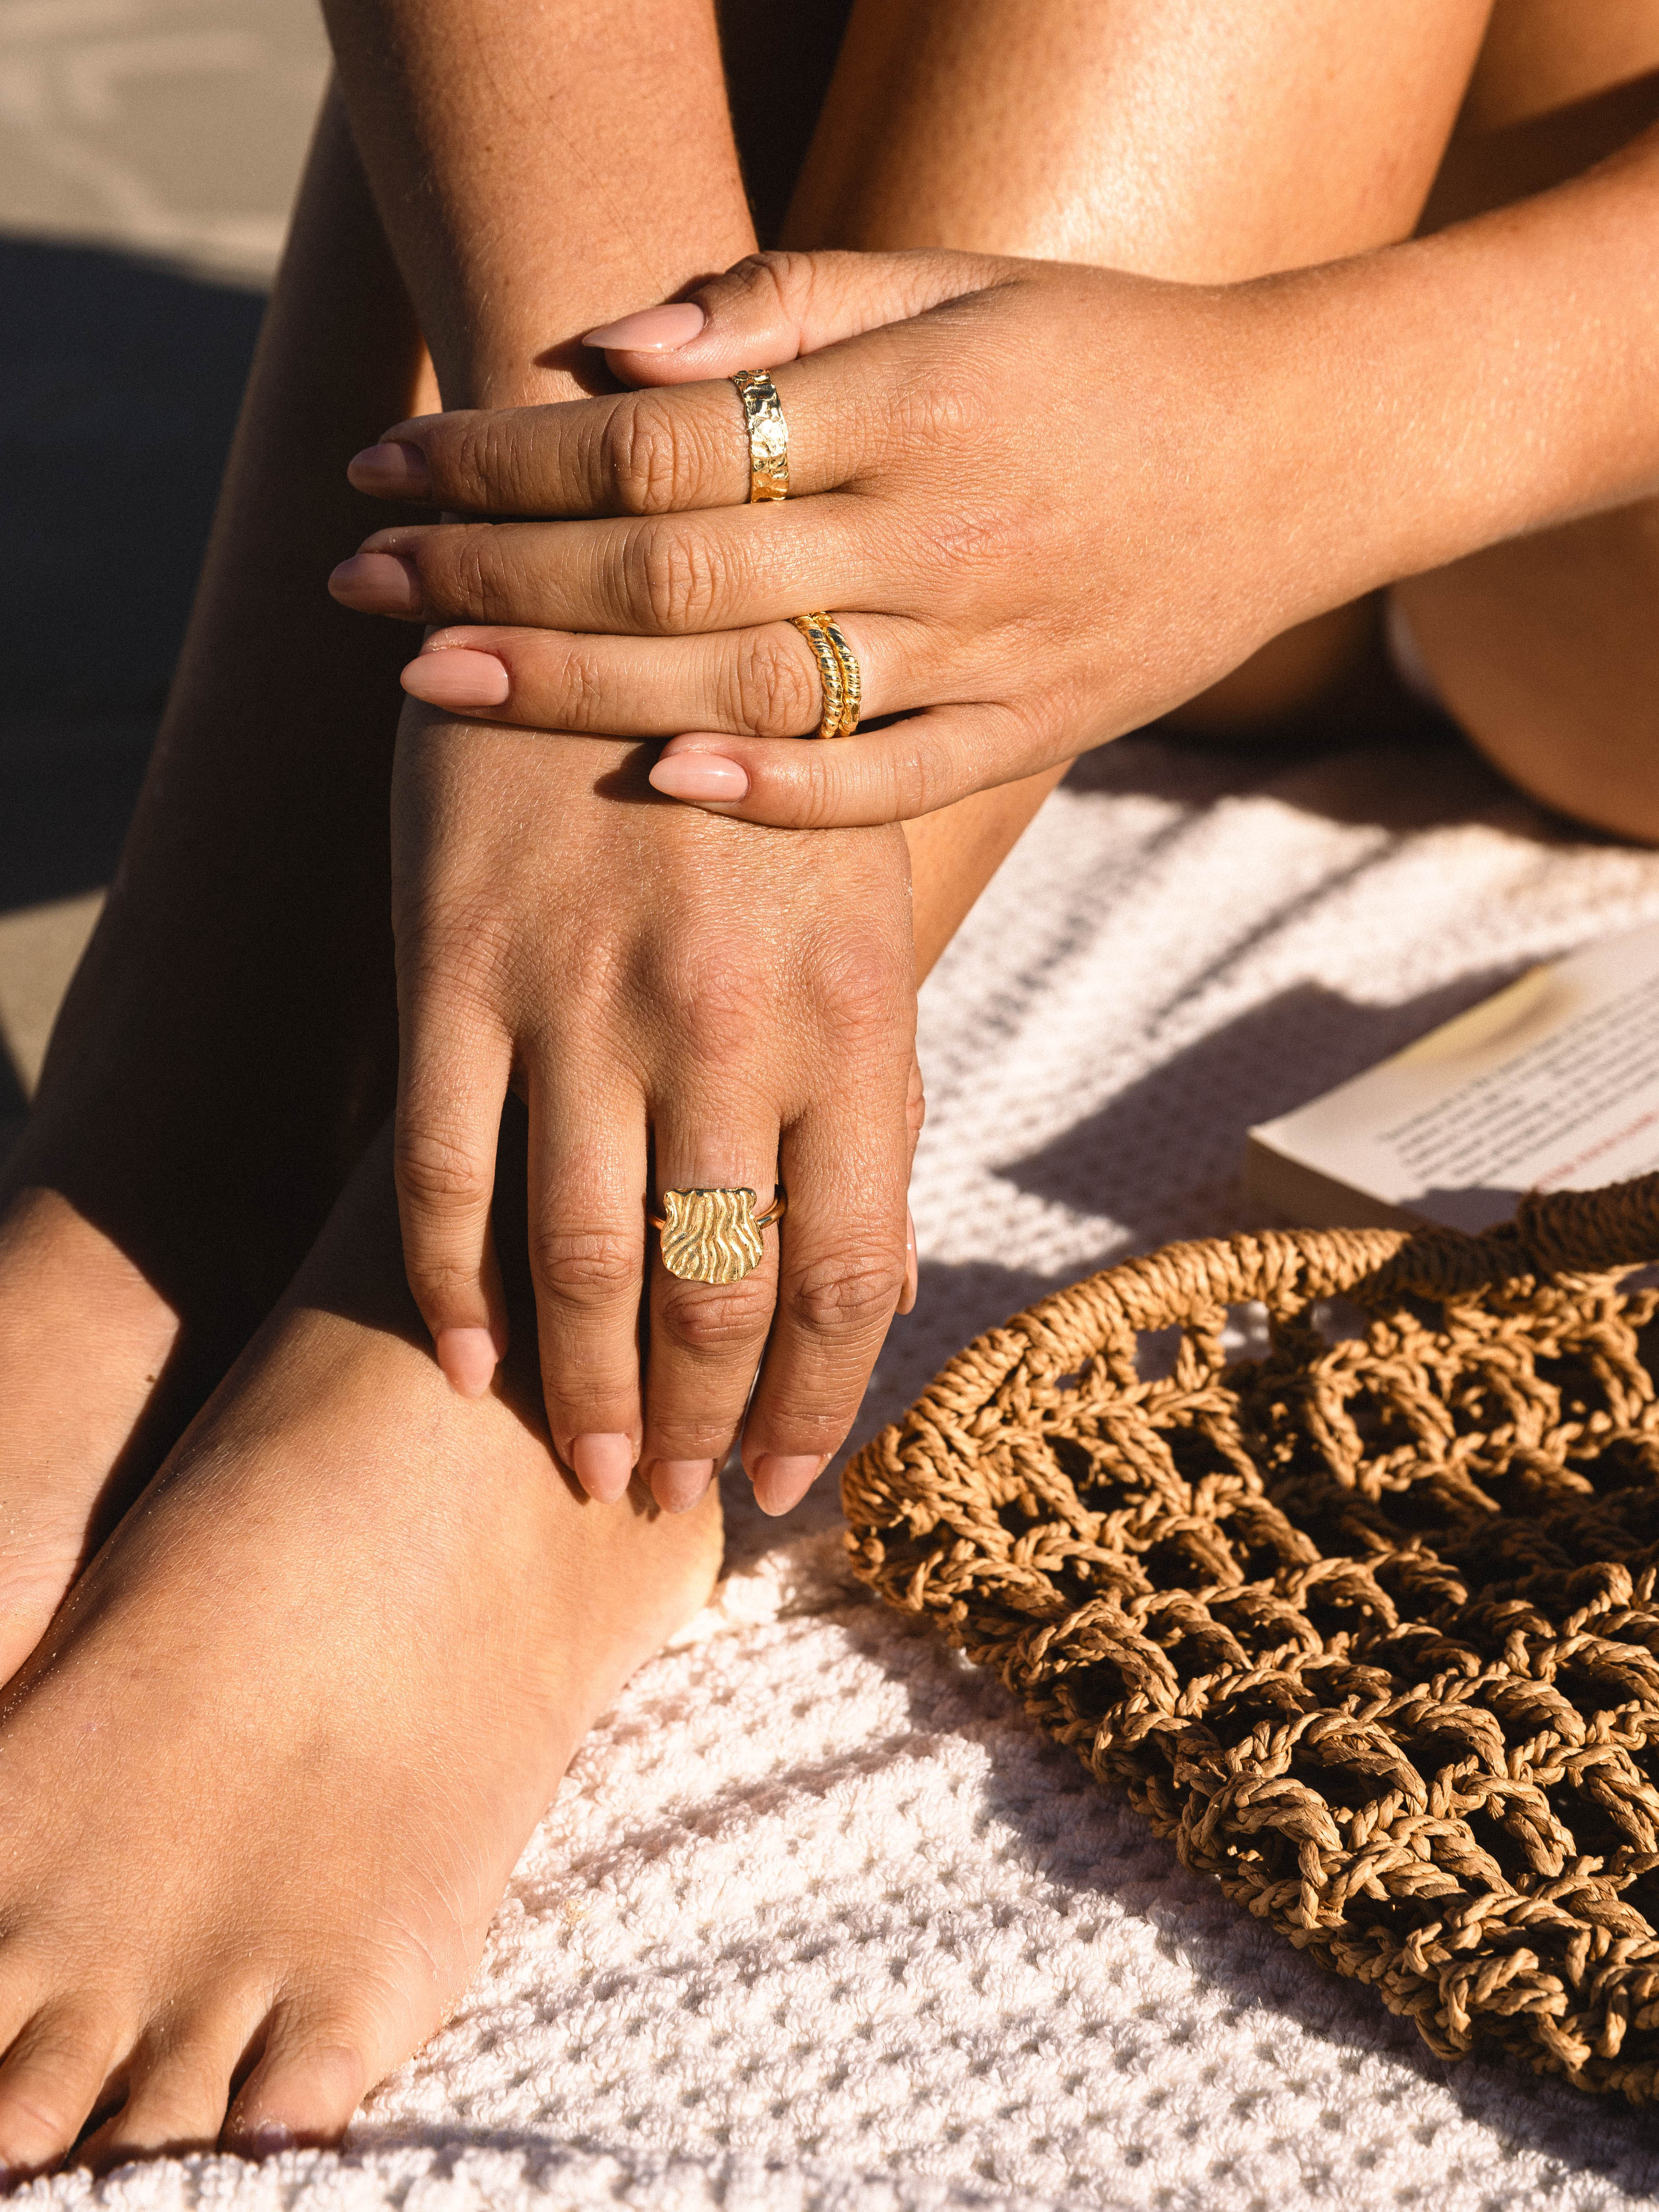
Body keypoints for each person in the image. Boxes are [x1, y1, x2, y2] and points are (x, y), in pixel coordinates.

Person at [0, 0, 1654, 2172]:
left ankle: (519, 1358)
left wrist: (1294, 433)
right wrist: (636, 656)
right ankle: (184, 1148)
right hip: (1172, 270)